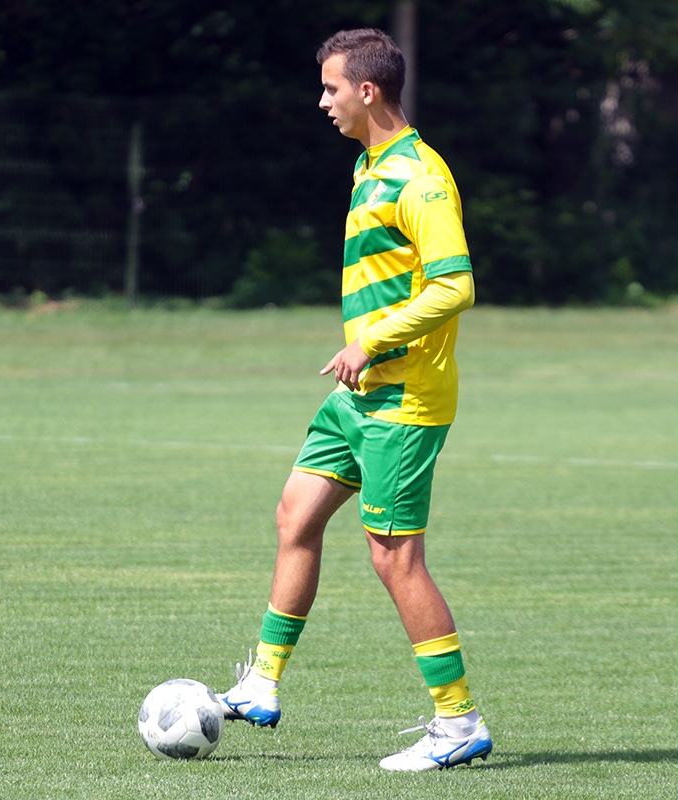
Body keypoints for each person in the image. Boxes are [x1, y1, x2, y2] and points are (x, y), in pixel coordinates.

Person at [217, 28, 491, 772]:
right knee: (295, 516)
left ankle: (458, 721)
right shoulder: (369, 166)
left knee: (395, 558)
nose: (322, 101)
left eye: (331, 88)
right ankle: (262, 684)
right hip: (357, 395)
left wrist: (371, 342)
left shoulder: (420, 179)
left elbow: (455, 285)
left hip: (404, 399)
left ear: (367, 91)